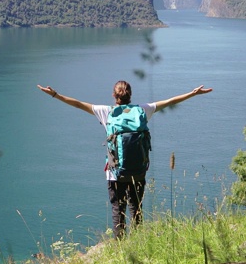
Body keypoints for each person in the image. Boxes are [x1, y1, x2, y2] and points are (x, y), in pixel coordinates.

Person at [37, 81, 212, 238]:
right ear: (130, 94)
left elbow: (77, 104)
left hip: (115, 173)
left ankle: (120, 244)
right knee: (136, 209)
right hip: (139, 171)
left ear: (114, 95)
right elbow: (169, 102)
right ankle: (139, 241)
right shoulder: (142, 110)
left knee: (117, 210)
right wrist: (193, 93)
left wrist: (55, 94)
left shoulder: (106, 112)